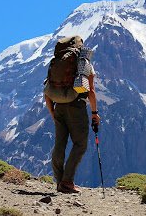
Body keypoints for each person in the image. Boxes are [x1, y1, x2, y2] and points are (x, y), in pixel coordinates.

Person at [44, 37, 100, 194]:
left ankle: (59, 182)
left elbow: (47, 91)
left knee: (59, 145)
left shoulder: (55, 63)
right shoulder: (83, 63)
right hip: (76, 107)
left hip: (58, 107)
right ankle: (67, 182)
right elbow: (91, 91)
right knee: (80, 144)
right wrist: (95, 113)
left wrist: (52, 112)